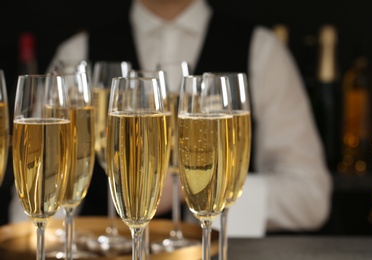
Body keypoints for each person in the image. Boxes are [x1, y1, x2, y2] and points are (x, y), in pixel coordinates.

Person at [9, 0, 332, 236]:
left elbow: (310, 198)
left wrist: (190, 188)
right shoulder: (76, 54)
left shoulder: (263, 51)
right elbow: (40, 184)